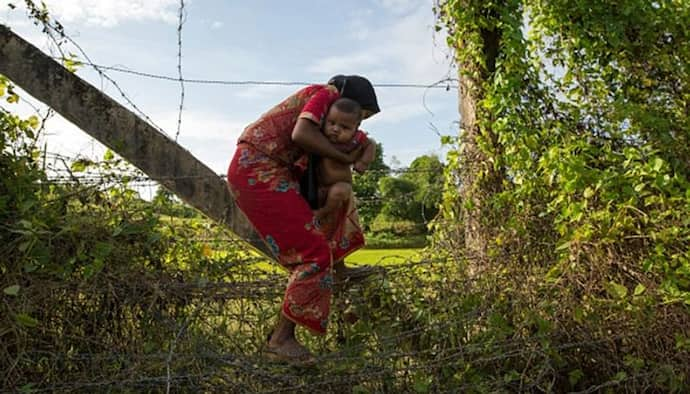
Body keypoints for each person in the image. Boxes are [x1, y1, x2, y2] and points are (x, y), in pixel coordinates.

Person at [226, 75, 380, 364]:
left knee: (340, 194)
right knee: (312, 253)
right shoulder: (325, 94)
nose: (354, 124)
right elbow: (300, 134)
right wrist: (345, 158)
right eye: (360, 114)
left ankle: (339, 267)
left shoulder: (328, 110)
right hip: (257, 168)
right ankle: (280, 340)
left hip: (274, 168)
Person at [313, 97, 376, 223]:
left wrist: (363, 162)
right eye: (331, 123)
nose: (336, 129)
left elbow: (371, 144)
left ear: (355, 128)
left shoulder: (355, 140)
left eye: (344, 127)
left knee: (338, 192)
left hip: (341, 184)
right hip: (319, 185)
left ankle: (324, 213)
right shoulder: (320, 136)